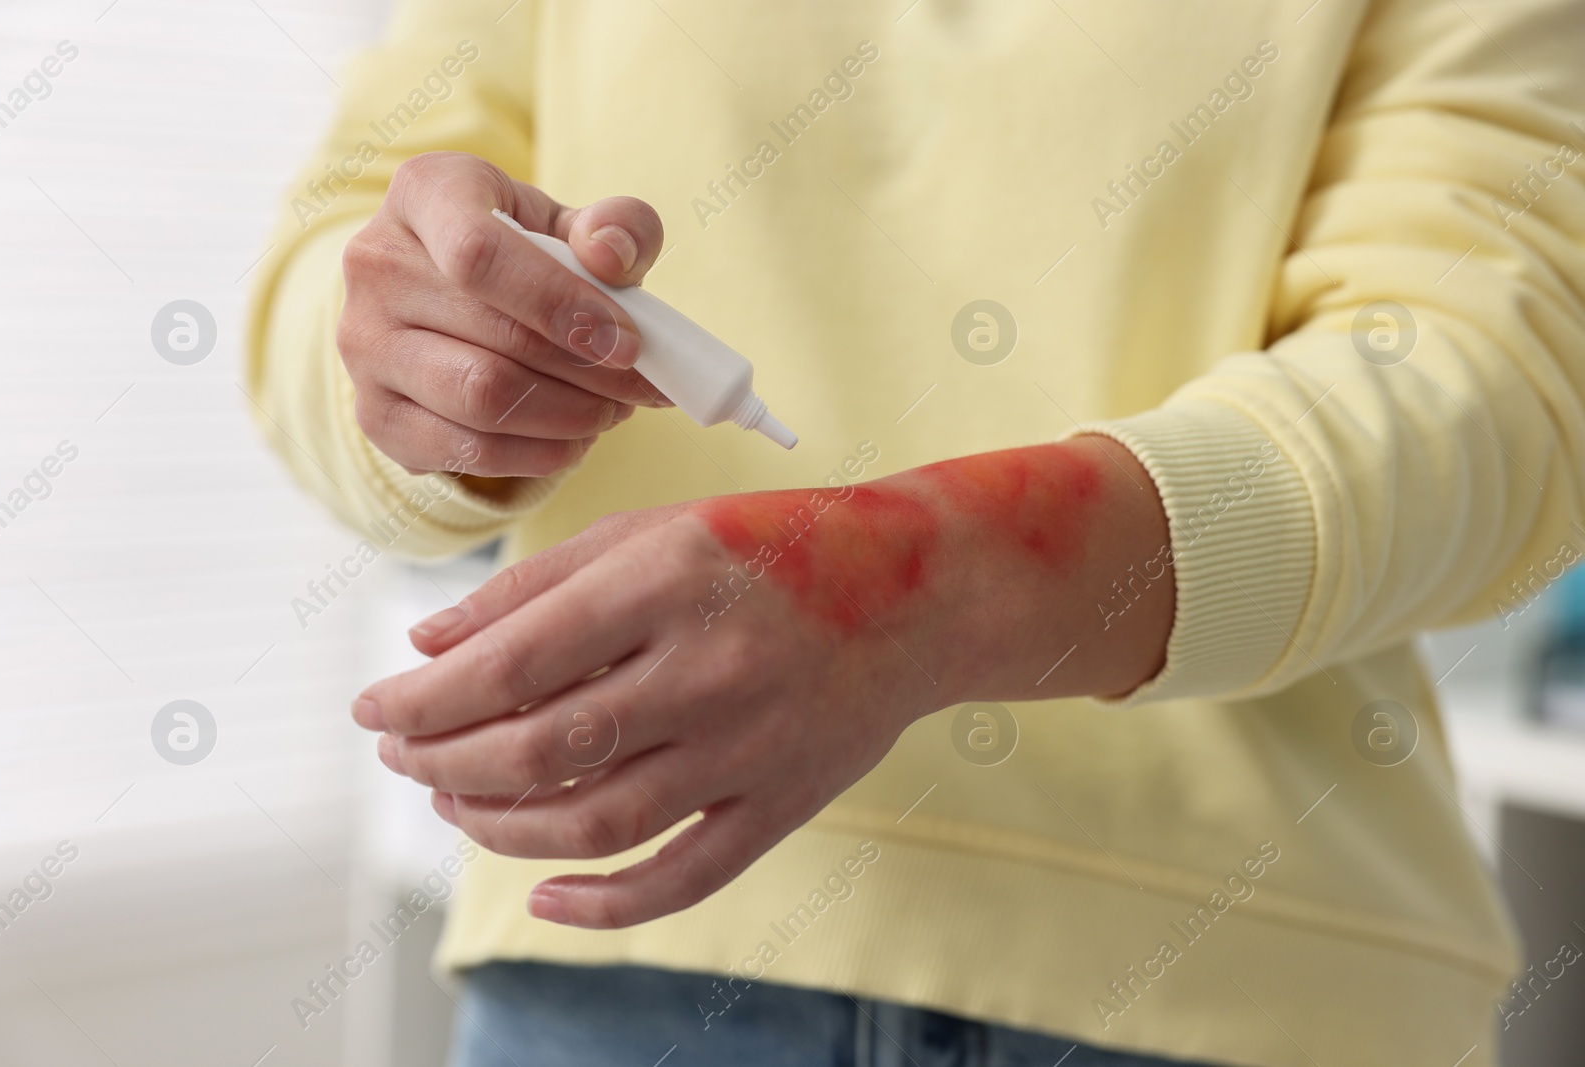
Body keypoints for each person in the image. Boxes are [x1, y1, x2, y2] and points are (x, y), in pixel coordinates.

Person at [245, 1, 1585, 1063]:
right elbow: (340, 268)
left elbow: (1493, 374)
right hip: (630, 975)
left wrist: (918, 584)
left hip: (1246, 984)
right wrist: (432, 372)